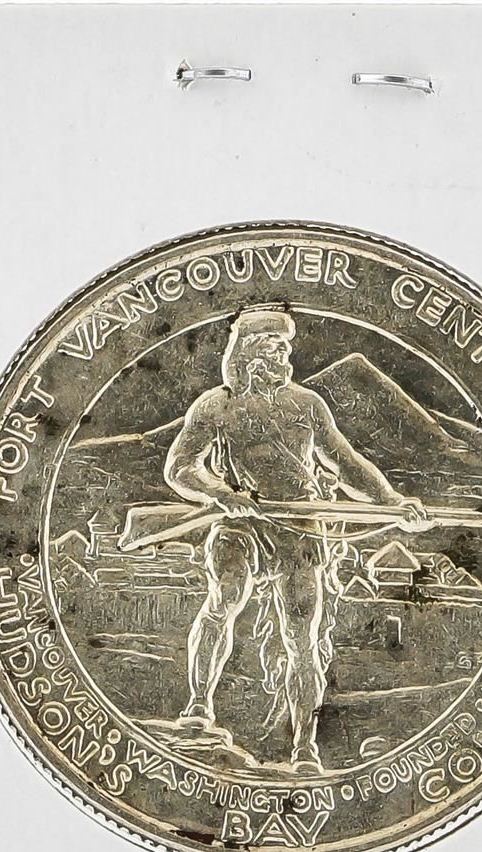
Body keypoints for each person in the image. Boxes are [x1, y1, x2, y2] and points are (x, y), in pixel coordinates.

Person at [163, 308, 424, 774]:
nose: (283, 356)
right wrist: (222, 494)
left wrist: (391, 501)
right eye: (272, 348)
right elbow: (180, 468)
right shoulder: (215, 406)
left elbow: (344, 461)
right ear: (247, 353)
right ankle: (199, 706)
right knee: (224, 596)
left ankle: (304, 748)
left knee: (302, 638)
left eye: (285, 348)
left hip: (300, 525)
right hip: (241, 520)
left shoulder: (307, 405)